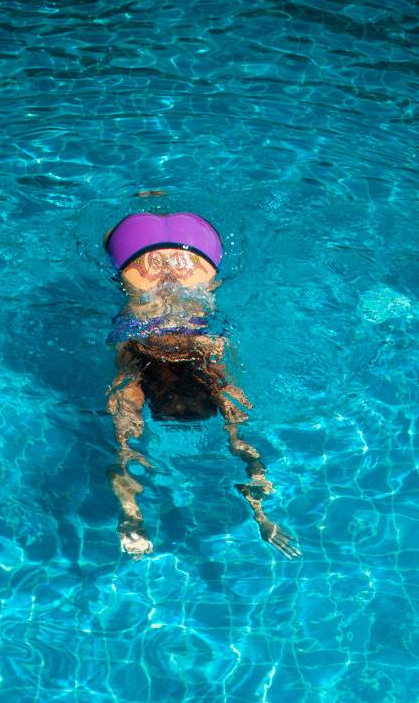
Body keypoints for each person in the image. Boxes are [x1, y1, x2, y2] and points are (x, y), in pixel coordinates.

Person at [103, 211, 300, 560]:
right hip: (138, 255)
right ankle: (149, 198)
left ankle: (153, 196)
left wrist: (262, 512)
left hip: (196, 255)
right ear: (152, 397)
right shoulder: (133, 367)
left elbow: (249, 455)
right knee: (114, 236)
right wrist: (130, 518)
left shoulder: (214, 365)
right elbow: (122, 457)